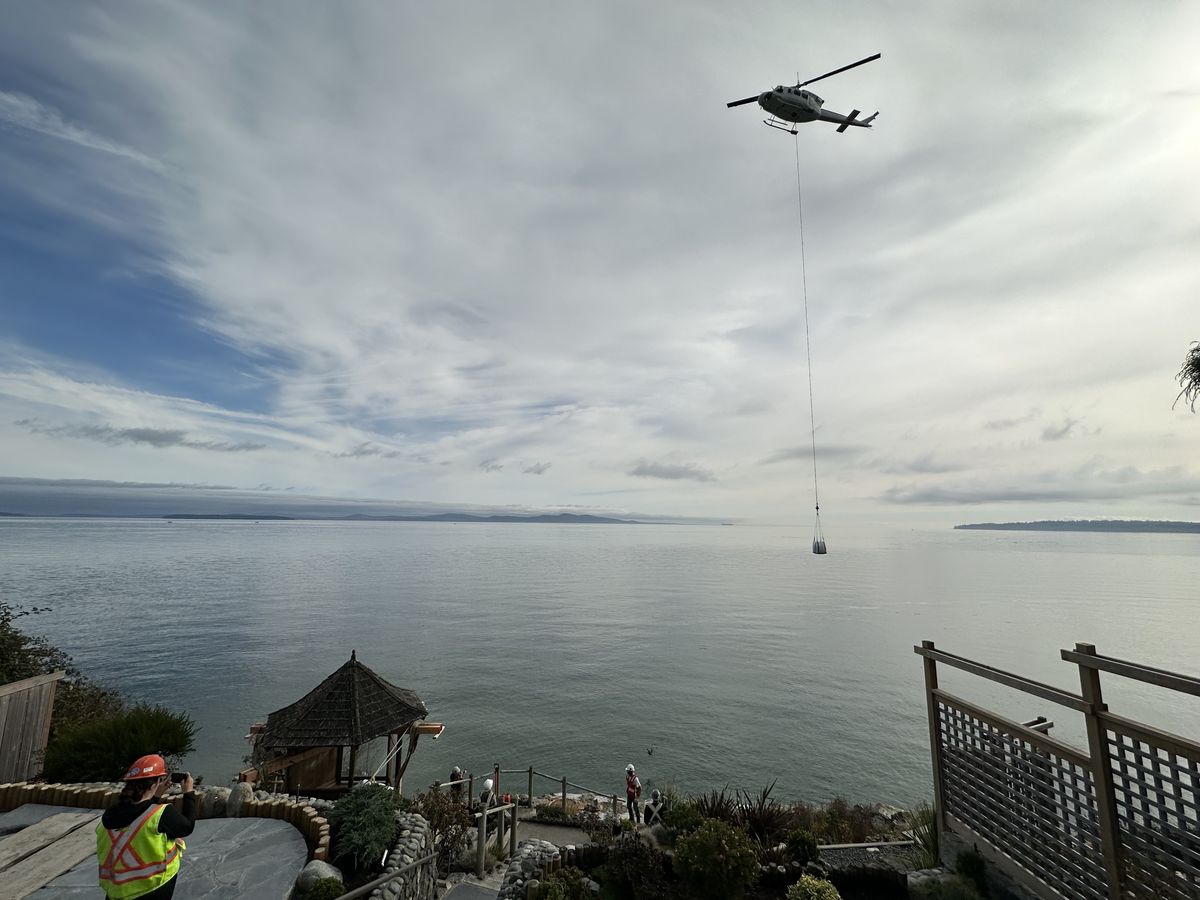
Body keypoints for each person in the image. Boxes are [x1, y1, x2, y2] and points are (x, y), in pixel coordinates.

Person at [97, 754, 197, 900]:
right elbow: (187, 827)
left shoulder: (110, 815)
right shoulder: (162, 814)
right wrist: (188, 793)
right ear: (153, 784)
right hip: (152, 886)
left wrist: (155, 796)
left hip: (116, 889)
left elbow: (139, 814)